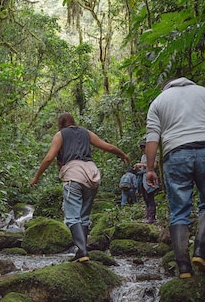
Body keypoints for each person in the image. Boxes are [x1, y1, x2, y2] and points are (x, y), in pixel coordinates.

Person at [145, 77, 205, 278]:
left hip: (175, 155)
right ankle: (201, 252)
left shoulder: (159, 101)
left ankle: (184, 267)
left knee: (179, 211)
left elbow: (152, 136)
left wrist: (149, 168)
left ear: (165, 88)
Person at [30, 112, 130, 262]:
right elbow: (107, 147)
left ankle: (82, 251)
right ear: (73, 122)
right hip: (92, 174)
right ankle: (81, 251)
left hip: (74, 175)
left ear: (60, 124)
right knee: (84, 217)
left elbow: (49, 158)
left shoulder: (60, 135)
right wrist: (122, 154)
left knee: (72, 217)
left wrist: (36, 177)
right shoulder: (86, 132)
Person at [134, 141, 158, 223]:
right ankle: (148, 216)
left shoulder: (153, 155)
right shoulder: (143, 156)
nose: (143, 149)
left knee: (150, 197)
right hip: (142, 177)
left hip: (150, 177)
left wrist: (142, 165)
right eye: (142, 148)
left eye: (144, 147)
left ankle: (152, 217)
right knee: (145, 197)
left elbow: (154, 166)